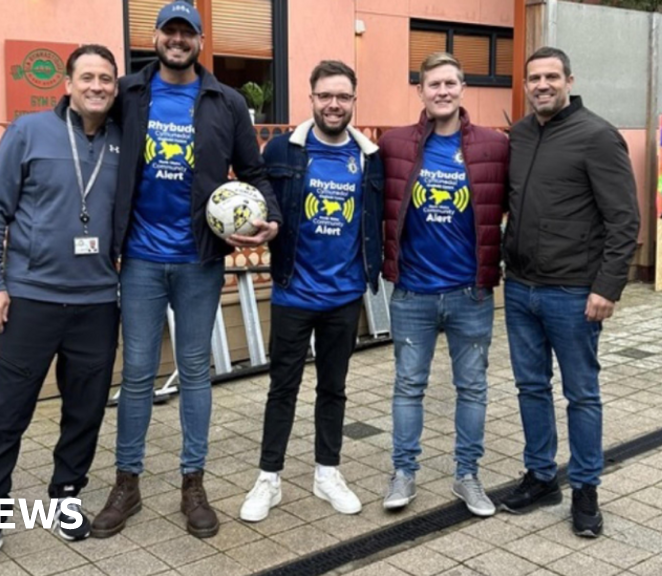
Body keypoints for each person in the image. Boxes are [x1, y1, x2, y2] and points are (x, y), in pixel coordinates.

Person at [92, 0, 281, 540]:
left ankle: (191, 482)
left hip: (199, 260)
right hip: (142, 260)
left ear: (200, 41)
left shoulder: (225, 102)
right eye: (170, 31)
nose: (178, 40)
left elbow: (256, 173)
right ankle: (127, 482)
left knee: (196, 372)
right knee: (137, 375)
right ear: (155, 38)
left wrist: (272, 221)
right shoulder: (128, 93)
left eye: (187, 33)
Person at [0, 45, 122, 575]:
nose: (97, 86)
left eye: (106, 79)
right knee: (7, 412)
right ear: (69, 84)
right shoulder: (29, 132)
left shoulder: (124, 140)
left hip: (97, 301)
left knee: (86, 409)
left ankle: (67, 493)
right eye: (88, 77)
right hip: (29, 298)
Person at [500, 46, 639, 538]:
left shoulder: (597, 136)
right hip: (519, 289)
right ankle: (541, 476)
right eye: (534, 77)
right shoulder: (517, 135)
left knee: (582, 394)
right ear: (525, 83)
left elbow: (624, 219)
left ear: (568, 80)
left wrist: (608, 286)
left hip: (574, 294)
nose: (542, 85)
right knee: (530, 387)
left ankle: (584, 488)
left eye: (551, 77)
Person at [238, 60, 384, 522]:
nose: (334, 104)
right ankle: (269, 479)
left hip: (344, 296)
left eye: (342, 96)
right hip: (291, 293)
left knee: (333, 389)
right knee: (283, 388)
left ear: (353, 101)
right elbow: (261, 200)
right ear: (312, 98)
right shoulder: (283, 150)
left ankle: (327, 472)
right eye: (326, 96)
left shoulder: (368, 157)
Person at [377, 53, 509, 516]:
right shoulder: (394, 144)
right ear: (420, 90)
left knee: (472, 387)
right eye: (433, 84)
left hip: (470, 294)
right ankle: (403, 473)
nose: (442, 91)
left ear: (462, 87)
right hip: (412, 292)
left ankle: (467, 476)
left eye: (450, 83)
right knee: (408, 386)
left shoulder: (494, 145)